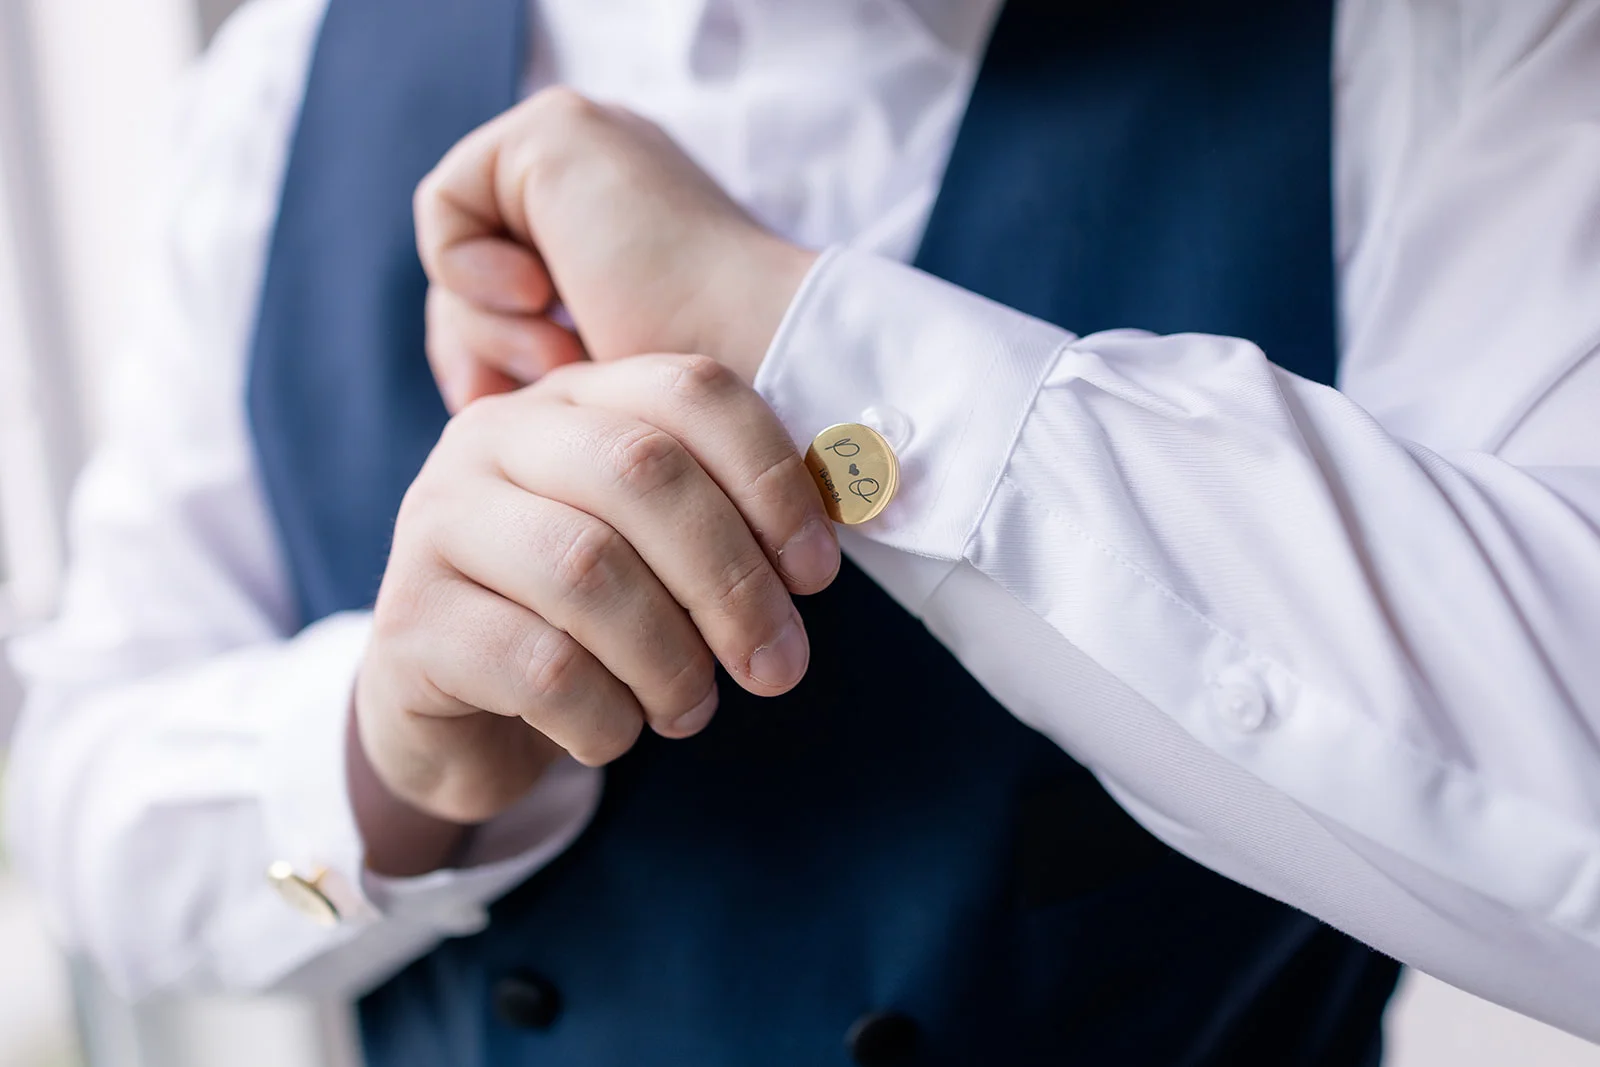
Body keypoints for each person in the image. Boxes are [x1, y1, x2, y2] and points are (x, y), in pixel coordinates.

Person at [7, 0, 1600, 1062]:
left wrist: (801, 334)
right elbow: (92, 817)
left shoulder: (1438, 47)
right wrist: (382, 762)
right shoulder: (287, 75)